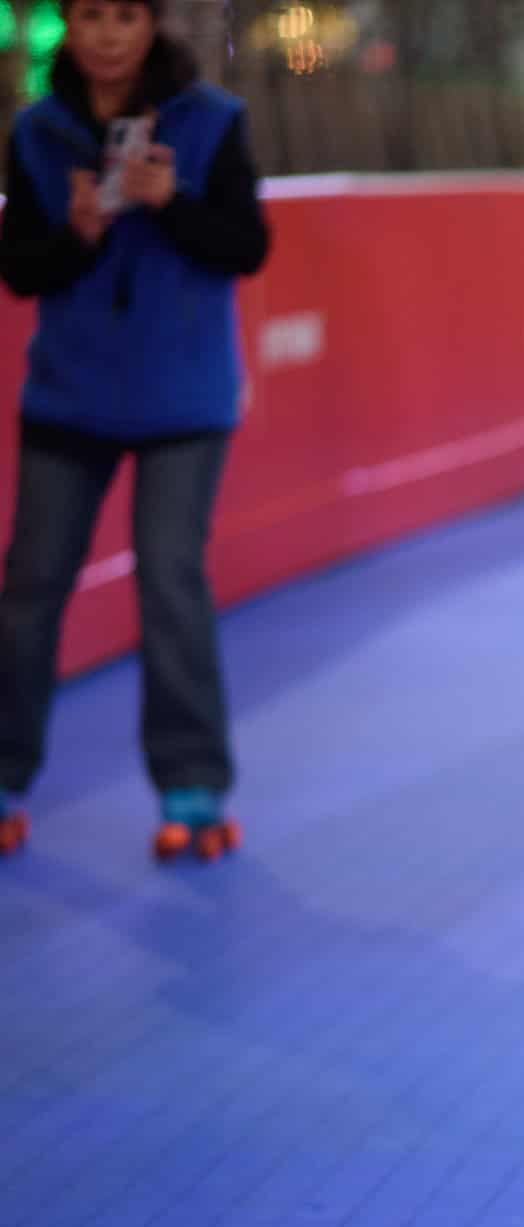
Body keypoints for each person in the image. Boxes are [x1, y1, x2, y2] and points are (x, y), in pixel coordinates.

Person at [0, 0, 269, 863]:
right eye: (89, 15)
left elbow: (246, 247)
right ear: (67, 27)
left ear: (152, 25)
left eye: (124, 15)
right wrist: (77, 233)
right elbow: (20, 270)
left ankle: (193, 785)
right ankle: (5, 773)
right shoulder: (38, 131)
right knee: (32, 588)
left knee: (170, 581)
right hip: (68, 396)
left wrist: (171, 200)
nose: (107, 34)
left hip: (183, 400)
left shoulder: (214, 122)